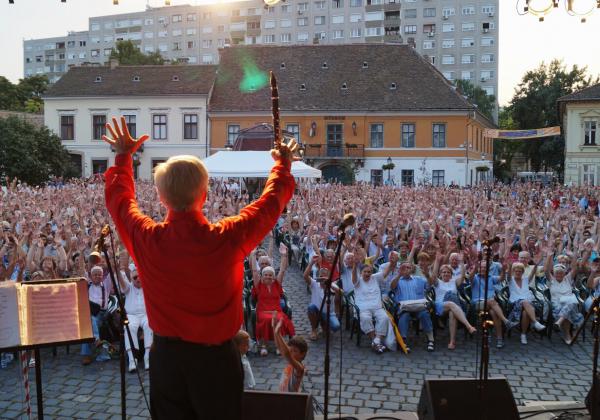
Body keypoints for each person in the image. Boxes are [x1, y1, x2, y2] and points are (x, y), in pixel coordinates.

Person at [101, 117, 298, 419]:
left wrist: (123, 157)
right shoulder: (227, 237)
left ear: (160, 196)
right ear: (204, 195)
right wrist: (282, 165)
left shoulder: (146, 238)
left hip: (167, 360)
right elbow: (269, 204)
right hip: (216, 361)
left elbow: (119, 201)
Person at [117, 266, 152, 372]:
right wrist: (117, 271)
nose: (138, 279)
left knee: (149, 326)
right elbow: (122, 282)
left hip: (146, 315)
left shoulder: (147, 286)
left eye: (139, 276)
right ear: (131, 279)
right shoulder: (129, 287)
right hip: (132, 315)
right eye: (135, 277)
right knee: (129, 327)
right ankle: (132, 359)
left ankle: (148, 357)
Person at [304, 255, 341, 341]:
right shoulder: (314, 284)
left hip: (329, 313)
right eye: (321, 276)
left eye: (325, 276)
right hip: (316, 310)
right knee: (311, 307)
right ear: (319, 276)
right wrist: (311, 263)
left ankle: (324, 324)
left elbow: (340, 292)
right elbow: (305, 276)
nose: (323, 278)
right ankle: (314, 329)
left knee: (336, 327)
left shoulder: (333, 285)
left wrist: (329, 285)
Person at [273, 317, 307, 393]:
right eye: (290, 350)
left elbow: (286, 353)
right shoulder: (290, 363)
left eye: (295, 351)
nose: (291, 352)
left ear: (302, 354)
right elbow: (279, 346)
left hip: (291, 400)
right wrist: (274, 327)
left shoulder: (299, 368)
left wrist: (278, 333)